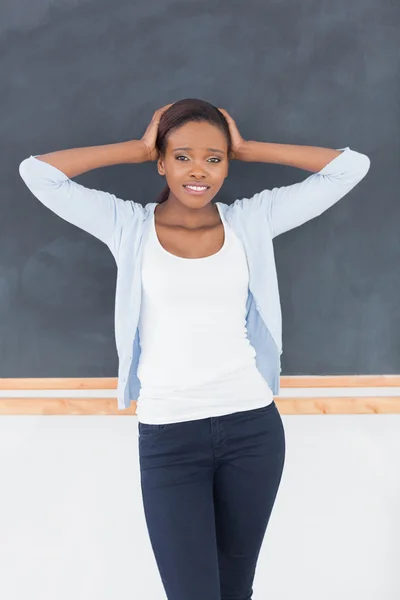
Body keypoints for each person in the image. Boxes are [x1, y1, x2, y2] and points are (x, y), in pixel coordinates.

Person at [18, 98, 370, 599]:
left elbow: (349, 169)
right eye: (181, 156)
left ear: (228, 164)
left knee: (235, 590)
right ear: (161, 162)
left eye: (214, 157)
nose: (198, 170)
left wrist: (248, 146)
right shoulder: (128, 226)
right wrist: (138, 146)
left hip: (252, 429)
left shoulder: (252, 220)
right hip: (168, 438)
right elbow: (37, 174)